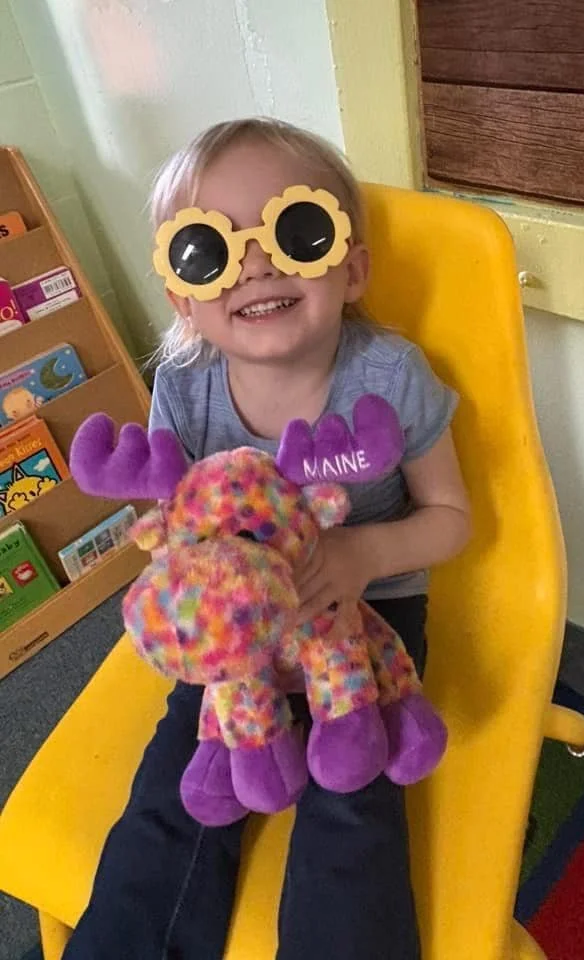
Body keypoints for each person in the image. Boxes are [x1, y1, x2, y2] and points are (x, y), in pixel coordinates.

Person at [64, 117, 471, 960]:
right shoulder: (182, 388)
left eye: (296, 231)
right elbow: (176, 529)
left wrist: (362, 555)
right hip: (237, 642)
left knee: (352, 804)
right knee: (172, 794)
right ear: (182, 297)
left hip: (362, 627)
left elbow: (451, 519)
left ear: (351, 266)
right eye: (208, 251)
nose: (255, 263)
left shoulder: (390, 377)